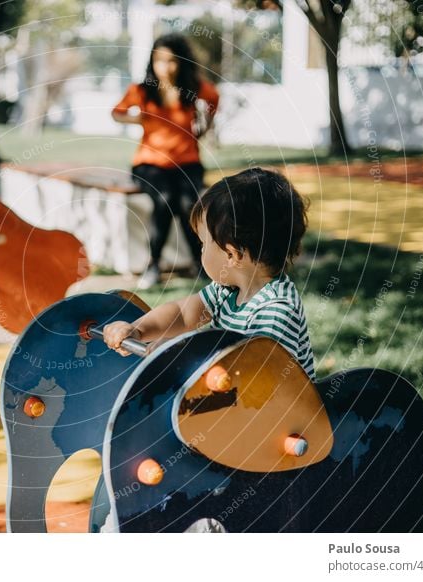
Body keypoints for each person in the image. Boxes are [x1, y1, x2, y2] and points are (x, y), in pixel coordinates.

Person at [103, 168, 315, 380]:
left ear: (232, 254)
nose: (202, 250)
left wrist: (183, 355)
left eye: (203, 244)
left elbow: (254, 381)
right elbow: (184, 313)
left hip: (276, 411)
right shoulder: (228, 290)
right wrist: (139, 329)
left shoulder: (275, 311)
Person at [112, 33, 219, 289]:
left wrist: (205, 126)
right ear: (152, 61)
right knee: (165, 199)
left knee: (188, 203)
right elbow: (117, 113)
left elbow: (214, 98)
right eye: (159, 60)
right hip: (149, 165)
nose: (165, 67)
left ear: (181, 62)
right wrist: (137, 119)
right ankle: (153, 266)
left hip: (187, 163)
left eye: (171, 61)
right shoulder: (142, 90)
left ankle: (201, 265)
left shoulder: (193, 87)